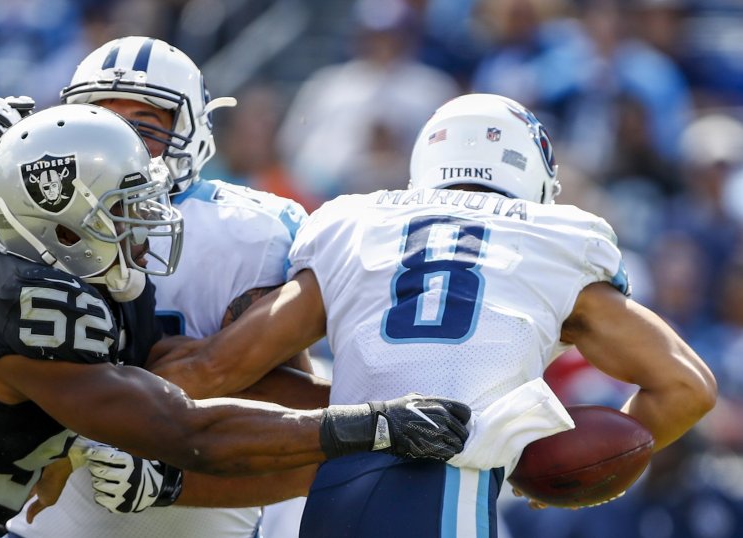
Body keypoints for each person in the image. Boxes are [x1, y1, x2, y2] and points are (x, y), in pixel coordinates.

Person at [0, 104, 471, 538]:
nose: (146, 222)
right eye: (123, 205)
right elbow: (188, 431)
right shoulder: (36, 307)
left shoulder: (65, 281)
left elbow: (181, 378)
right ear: (61, 218)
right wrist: (372, 424)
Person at [115, 93, 717, 537]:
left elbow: (216, 368)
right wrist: (557, 470)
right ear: (533, 174)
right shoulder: (558, 240)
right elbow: (686, 387)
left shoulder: (355, 224)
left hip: (333, 494)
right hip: (445, 496)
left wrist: (88, 401)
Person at [0, 36, 324, 537]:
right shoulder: (41, 219)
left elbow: (288, 413)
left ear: (194, 129)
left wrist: (170, 471)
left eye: (147, 122)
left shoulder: (255, 229)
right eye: (104, 118)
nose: (122, 136)